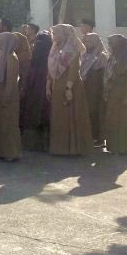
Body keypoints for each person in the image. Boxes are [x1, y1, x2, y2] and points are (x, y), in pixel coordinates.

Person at [47, 23, 92, 156]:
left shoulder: (72, 50)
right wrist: (48, 85)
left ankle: (72, 148)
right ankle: (59, 148)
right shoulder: (54, 49)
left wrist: (68, 88)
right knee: (58, 117)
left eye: (56, 34)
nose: (54, 37)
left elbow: (73, 70)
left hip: (70, 86)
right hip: (56, 86)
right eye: (53, 34)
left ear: (64, 34)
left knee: (70, 116)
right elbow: (50, 68)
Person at [0, 31, 22, 162]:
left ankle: (11, 152)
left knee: (9, 125)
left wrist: (6, 97)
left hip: (8, 97)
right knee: (1, 125)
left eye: (1, 40)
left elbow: (11, 81)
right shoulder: (2, 56)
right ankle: (2, 151)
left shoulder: (11, 58)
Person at [20, 29, 53, 151]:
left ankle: (42, 144)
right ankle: (38, 144)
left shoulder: (50, 57)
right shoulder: (38, 55)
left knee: (42, 114)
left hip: (42, 88)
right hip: (35, 87)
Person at [80, 32, 108, 145]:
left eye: (90, 41)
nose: (87, 44)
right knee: (86, 111)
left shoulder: (102, 56)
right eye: (86, 41)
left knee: (97, 111)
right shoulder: (84, 55)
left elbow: (105, 74)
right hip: (85, 88)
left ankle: (99, 138)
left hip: (97, 89)